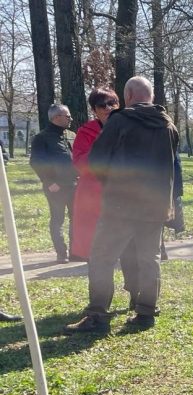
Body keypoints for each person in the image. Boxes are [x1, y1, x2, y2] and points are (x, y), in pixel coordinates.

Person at [63, 76, 179, 334]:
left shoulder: (121, 121)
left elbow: (98, 160)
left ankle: (97, 315)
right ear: (150, 95)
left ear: (127, 96)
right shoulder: (168, 124)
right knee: (150, 259)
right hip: (155, 205)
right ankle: (147, 312)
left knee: (102, 258)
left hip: (121, 205)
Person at [70, 88, 119, 261]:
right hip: (93, 192)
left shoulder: (128, 128)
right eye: (101, 105)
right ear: (94, 110)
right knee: (94, 238)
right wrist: (100, 145)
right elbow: (79, 163)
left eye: (112, 103)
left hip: (121, 190)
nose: (108, 108)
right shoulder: (85, 132)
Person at [30, 104, 77, 263]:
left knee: (76, 219)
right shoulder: (41, 138)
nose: (71, 119)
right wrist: (50, 182)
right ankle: (61, 253)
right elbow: (37, 162)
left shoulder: (71, 135)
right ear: (56, 117)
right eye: (67, 116)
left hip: (74, 185)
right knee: (58, 220)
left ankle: (75, 252)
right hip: (56, 187)